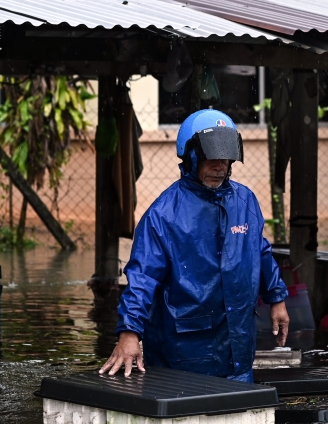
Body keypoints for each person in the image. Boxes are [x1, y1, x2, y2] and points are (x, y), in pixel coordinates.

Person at [99, 109, 289, 382]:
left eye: (225, 157)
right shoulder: (164, 214)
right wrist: (129, 334)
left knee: (238, 410)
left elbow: (259, 251)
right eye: (210, 156)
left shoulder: (245, 201)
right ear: (190, 157)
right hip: (183, 352)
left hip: (238, 347)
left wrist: (277, 299)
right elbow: (142, 278)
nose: (219, 165)